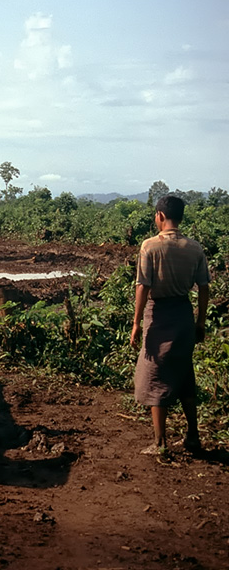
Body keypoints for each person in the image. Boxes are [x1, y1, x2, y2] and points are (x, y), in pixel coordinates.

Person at [130, 195, 210, 455]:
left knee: (154, 375)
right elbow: (204, 287)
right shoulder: (195, 248)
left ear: (160, 216)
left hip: (159, 315)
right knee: (185, 373)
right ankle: (193, 437)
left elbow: (143, 286)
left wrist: (136, 324)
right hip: (184, 315)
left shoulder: (150, 246)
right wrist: (200, 321)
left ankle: (160, 442)